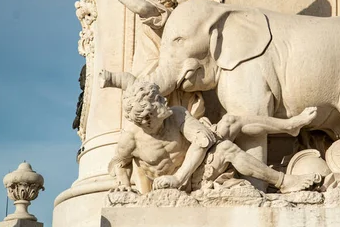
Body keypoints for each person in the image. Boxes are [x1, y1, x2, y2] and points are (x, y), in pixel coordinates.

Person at [109, 80, 320, 194]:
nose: (148, 123)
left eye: (153, 115)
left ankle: (290, 126)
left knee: (230, 121)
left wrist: (179, 176)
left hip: (190, 171)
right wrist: (123, 184)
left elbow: (202, 140)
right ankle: (283, 182)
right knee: (227, 148)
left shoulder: (176, 114)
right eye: (144, 120)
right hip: (176, 185)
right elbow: (119, 162)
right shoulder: (131, 138)